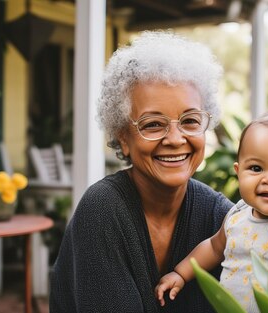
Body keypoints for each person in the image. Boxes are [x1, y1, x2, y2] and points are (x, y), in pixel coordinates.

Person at [49, 31, 234, 312]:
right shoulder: (102, 209)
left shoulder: (218, 214)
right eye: (153, 124)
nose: (175, 139)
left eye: (190, 121)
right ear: (124, 136)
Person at [155, 111, 268, 312]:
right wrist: (181, 274)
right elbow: (214, 248)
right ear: (238, 172)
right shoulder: (237, 216)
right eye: (256, 168)